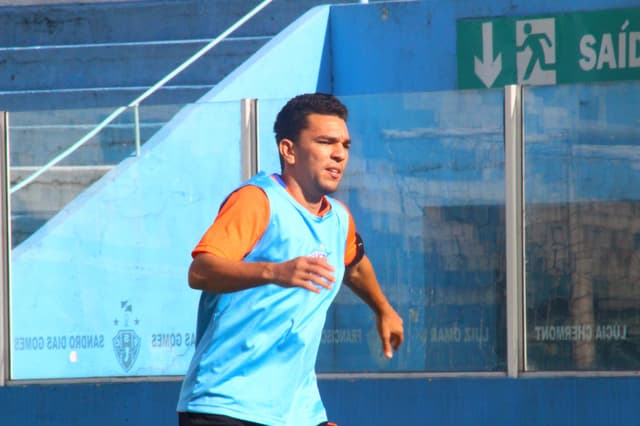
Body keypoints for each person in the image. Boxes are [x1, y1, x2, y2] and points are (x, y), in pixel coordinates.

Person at [177, 93, 404, 426]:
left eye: (345, 145)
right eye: (326, 142)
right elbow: (200, 271)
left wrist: (383, 309)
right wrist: (275, 271)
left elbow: (353, 267)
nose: (339, 154)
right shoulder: (257, 202)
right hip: (226, 406)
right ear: (289, 150)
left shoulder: (338, 220)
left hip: (298, 413)